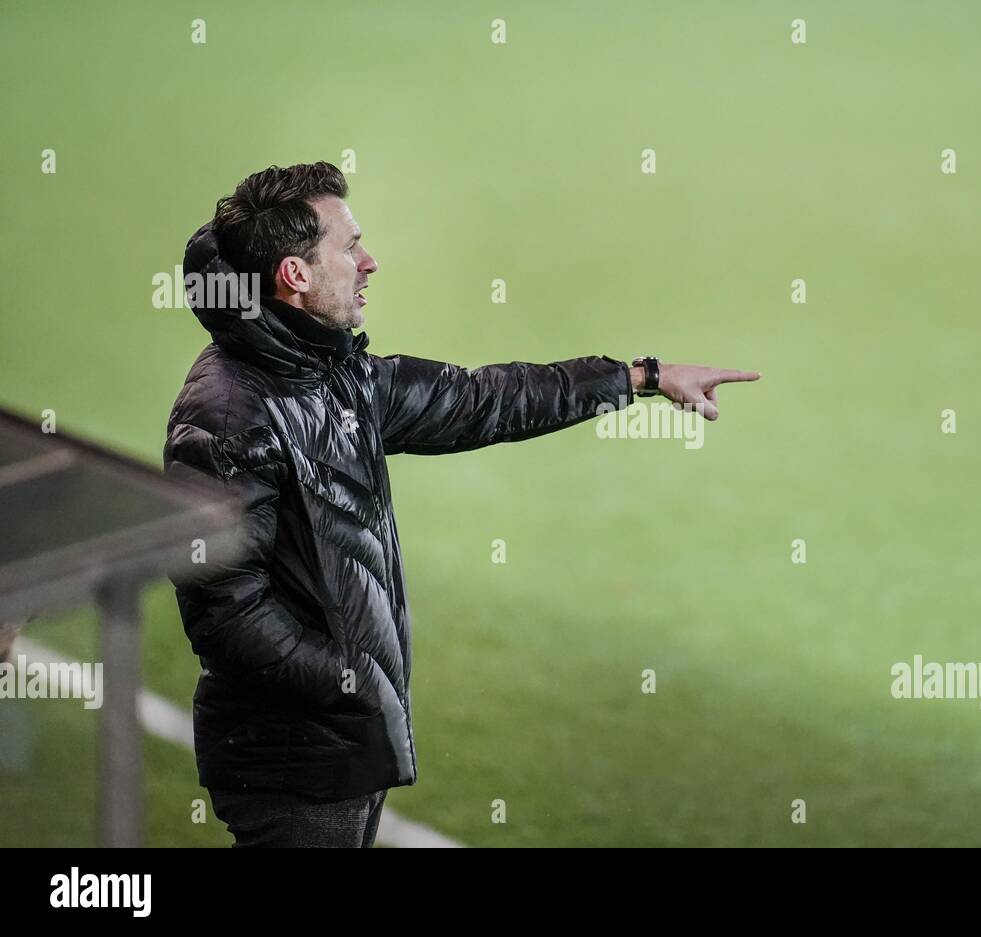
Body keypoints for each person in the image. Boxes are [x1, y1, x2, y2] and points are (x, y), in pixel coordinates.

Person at [163, 161, 759, 846]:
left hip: (339, 745)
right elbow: (223, 608)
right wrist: (348, 679)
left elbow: (482, 400)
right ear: (295, 275)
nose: (369, 262)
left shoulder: (334, 374)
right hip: (295, 762)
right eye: (349, 247)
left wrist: (642, 378)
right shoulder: (229, 414)